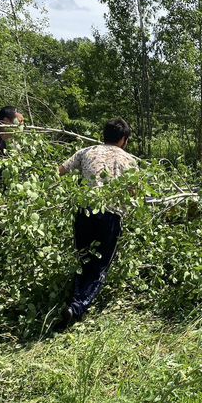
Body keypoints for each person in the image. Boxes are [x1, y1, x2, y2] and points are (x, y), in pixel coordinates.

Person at [58, 118, 138, 327]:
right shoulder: (129, 160)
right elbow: (133, 193)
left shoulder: (86, 151)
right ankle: (76, 308)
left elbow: (60, 171)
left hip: (84, 211)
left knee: (84, 259)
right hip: (110, 215)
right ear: (123, 139)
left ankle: (73, 302)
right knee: (99, 266)